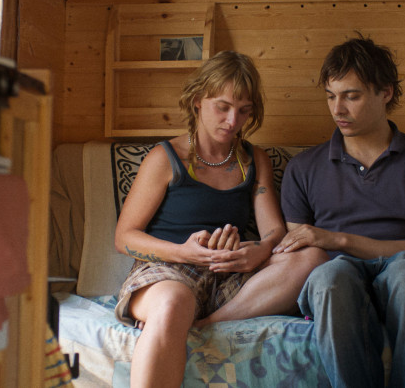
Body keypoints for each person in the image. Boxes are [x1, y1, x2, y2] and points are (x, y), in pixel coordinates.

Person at [113, 50, 329, 388]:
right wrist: (184, 252)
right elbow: (124, 237)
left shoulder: (254, 159)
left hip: (229, 276)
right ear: (197, 100)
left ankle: (204, 323)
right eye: (223, 107)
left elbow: (274, 231)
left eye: (244, 111)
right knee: (172, 304)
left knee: (313, 257)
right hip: (169, 272)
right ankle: (176, 317)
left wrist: (259, 250)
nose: (232, 121)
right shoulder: (165, 157)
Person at [273, 35, 405, 387]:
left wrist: (337, 239)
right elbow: (300, 253)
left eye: (351, 96)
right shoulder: (302, 168)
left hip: (403, 272)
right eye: (331, 96)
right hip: (337, 275)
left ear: (385, 92)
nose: (337, 110)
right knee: (329, 279)